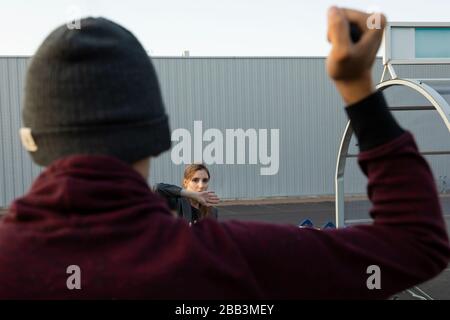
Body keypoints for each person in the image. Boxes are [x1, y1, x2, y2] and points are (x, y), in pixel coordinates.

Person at [0, 8, 449, 299]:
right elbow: (416, 244)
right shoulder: (226, 261)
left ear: (31, 141)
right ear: (158, 138)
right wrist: (359, 91)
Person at [154, 164, 220, 224]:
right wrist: (192, 194)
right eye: (195, 180)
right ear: (185, 182)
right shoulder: (175, 202)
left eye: (205, 180)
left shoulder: (212, 211)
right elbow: (158, 188)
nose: (201, 185)